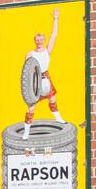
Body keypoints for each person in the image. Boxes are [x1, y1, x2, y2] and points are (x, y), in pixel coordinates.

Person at [23, 7, 64, 138]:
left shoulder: (47, 51)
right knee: (31, 108)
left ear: (44, 40)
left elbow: (54, 34)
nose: (39, 41)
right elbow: (26, 72)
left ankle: (58, 118)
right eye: (37, 40)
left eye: (41, 39)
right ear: (34, 41)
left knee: (52, 99)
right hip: (35, 81)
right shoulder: (30, 54)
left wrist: (56, 19)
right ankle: (26, 132)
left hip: (46, 78)